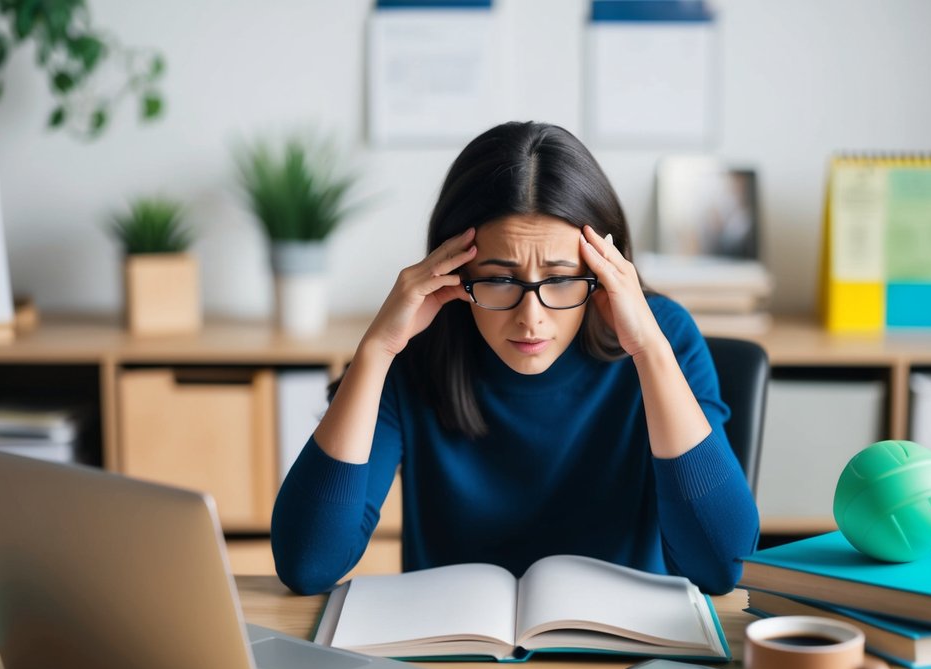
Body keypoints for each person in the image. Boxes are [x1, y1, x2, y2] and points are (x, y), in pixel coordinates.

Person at [272, 121, 758, 597]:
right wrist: (376, 351)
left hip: (621, 663)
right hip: (454, 655)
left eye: (562, 279)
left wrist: (649, 351)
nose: (532, 318)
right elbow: (307, 564)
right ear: (455, 271)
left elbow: (720, 567)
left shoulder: (662, 336)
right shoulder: (419, 347)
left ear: (605, 271)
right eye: (501, 280)